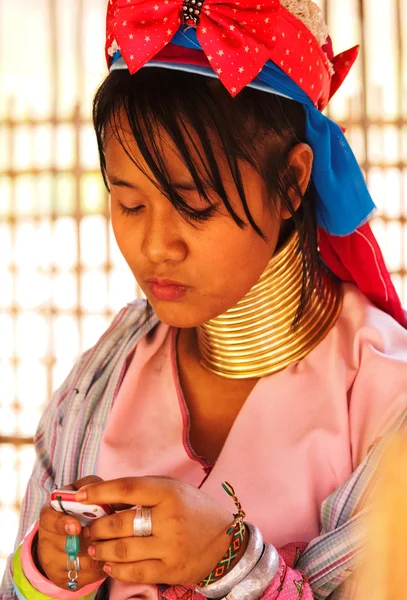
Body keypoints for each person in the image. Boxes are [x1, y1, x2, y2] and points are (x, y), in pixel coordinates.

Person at [2, 0, 407, 598]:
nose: (155, 245)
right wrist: (55, 561)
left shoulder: (384, 402)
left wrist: (232, 560)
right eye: (130, 203)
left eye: (194, 203)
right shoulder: (101, 383)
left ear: (293, 183)